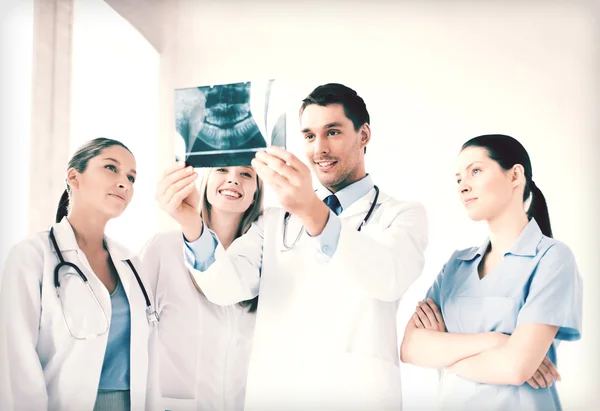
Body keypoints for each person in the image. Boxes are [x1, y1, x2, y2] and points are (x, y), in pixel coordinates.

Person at [158, 83, 429, 410]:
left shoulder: (402, 215)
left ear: (364, 135)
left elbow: (389, 277)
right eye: (310, 136)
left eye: (332, 132)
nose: (319, 149)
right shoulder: (275, 221)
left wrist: (311, 211)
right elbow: (224, 286)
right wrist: (190, 223)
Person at [400, 134, 583, 411]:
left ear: (515, 176)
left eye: (475, 171)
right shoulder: (456, 266)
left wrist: (443, 353)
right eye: (459, 178)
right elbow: (411, 348)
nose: (463, 186)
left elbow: (515, 367)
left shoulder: (551, 258)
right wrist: (497, 341)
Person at [0, 138, 159, 411]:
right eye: (111, 168)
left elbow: (150, 357)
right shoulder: (32, 256)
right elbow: (16, 362)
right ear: (74, 176)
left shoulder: (131, 263)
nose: (125, 183)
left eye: (131, 177)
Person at [141, 165, 264, 411]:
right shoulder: (163, 249)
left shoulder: (264, 259)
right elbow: (134, 332)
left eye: (246, 174)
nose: (233, 179)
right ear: (205, 183)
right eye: (221, 170)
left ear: (255, 196)